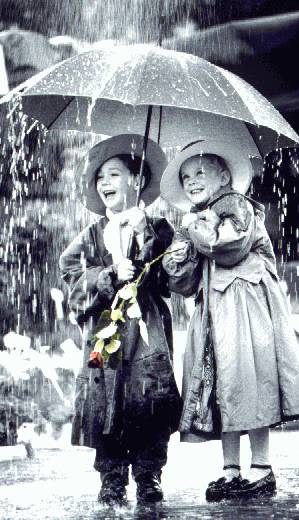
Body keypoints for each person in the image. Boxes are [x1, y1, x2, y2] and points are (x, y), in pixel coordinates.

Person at [160, 138, 299, 501]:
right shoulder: (195, 220)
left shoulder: (238, 207)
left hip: (247, 311)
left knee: (251, 379)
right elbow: (181, 281)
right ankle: (231, 468)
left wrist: (196, 229)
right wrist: (180, 244)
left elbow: (226, 247)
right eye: (185, 177)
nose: (191, 181)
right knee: (222, 387)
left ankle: (261, 466)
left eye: (200, 172)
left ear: (225, 177)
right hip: (213, 315)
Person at [59, 134, 181, 506]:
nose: (105, 183)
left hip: (146, 330)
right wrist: (109, 275)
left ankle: (148, 474)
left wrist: (145, 236)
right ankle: (111, 477)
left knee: (148, 398)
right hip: (105, 331)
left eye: (114, 174)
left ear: (137, 180)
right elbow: (71, 276)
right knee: (105, 397)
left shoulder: (158, 228)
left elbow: (173, 276)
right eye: (100, 178)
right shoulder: (92, 235)